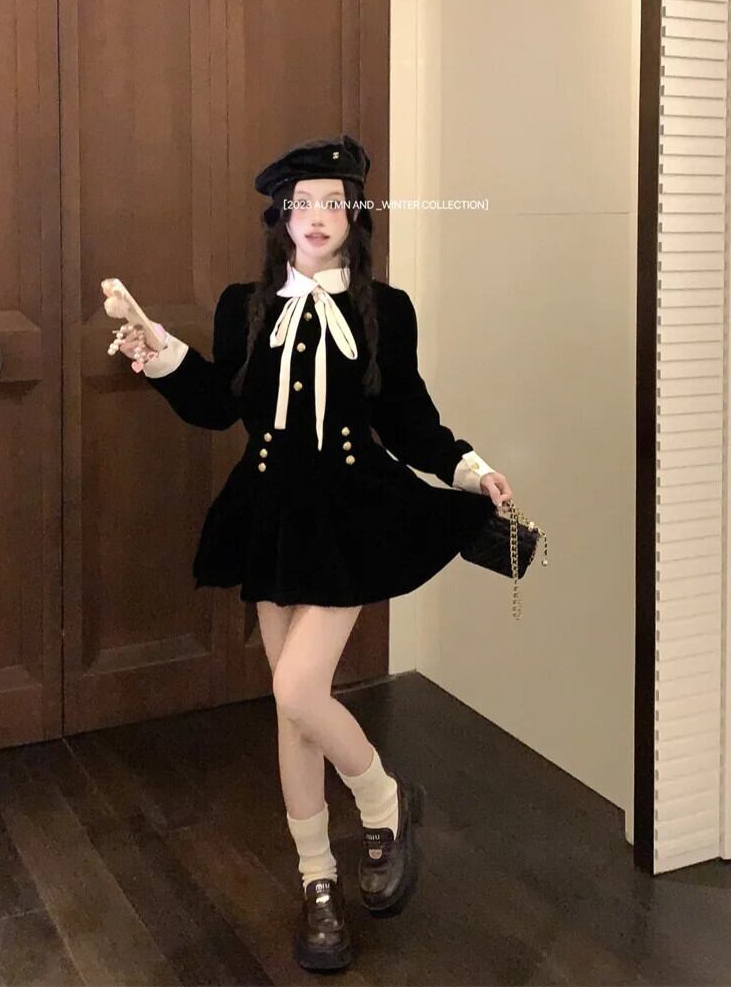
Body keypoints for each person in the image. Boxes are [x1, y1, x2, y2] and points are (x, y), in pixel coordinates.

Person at [106, 133, 512, 972]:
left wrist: (468, 467)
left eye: (334, 202)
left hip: (351, 515)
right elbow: (218, 404)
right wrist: (158, 349)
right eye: (303, 203)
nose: (317, 216)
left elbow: (408, 416)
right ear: (281, 218)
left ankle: (384, 802)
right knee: (291, 709)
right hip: (268, 515)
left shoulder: (385, 309)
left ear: (355, 217)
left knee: (298, 688)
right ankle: (317, 880)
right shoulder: (242, 305)